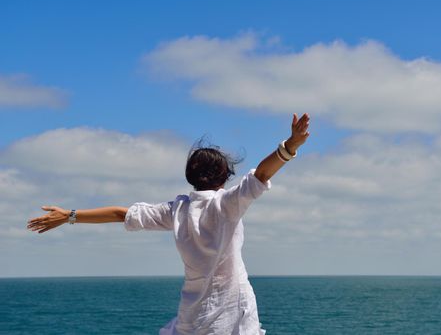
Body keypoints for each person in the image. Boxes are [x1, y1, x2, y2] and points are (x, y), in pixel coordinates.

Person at [27, 113, 310, 335]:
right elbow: (261, 174)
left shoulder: (178, 210)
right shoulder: (227, 204)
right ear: (225, 177)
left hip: (192, 316)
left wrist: (70, 215)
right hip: (231, 315)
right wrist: (290, 147)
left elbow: (119, 214)